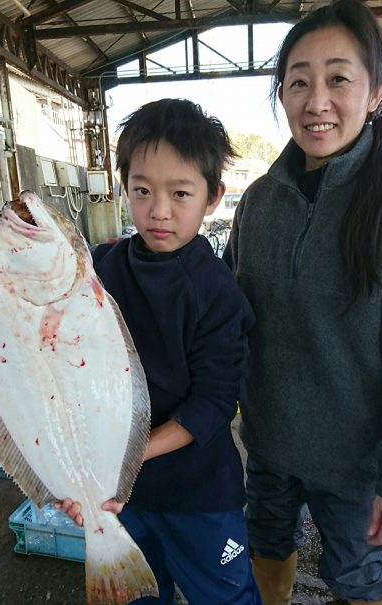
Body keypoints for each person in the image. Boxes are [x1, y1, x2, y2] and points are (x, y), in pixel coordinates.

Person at [223, 1, 382, 604]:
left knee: (358, 578)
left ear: (376, 90)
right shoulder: (258, 203)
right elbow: (225, 316)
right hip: (270, 441)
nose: (316, 101)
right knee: (266, 548)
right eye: (298, 82)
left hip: (358, 462)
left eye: (338, 78)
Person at [59, 98, 262, 605]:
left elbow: (214, 404)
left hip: (200, 497)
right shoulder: (101, 269)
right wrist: (74, 473)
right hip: (121, 500)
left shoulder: (217, 292)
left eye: (180, 193)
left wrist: (126, 458)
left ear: (213, 197)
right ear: (124, 186)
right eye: (143, 190)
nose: (159, 210)